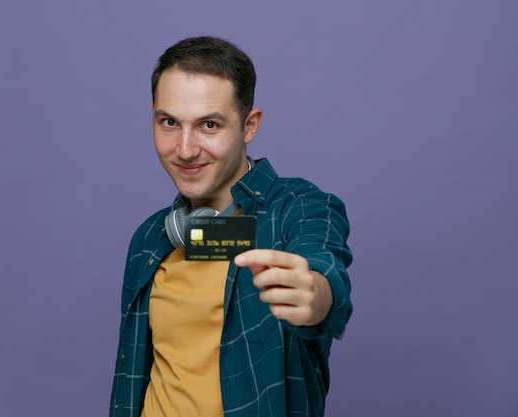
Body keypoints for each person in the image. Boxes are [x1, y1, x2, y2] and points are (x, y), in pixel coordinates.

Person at [110, 36, 352, 417]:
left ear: (249, 125)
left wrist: (316, 297)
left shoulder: (299, 209)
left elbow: (323, 273)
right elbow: (132, 379)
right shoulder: (150, 238)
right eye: (169, 122)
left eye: (209, 124)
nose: (186, 149)